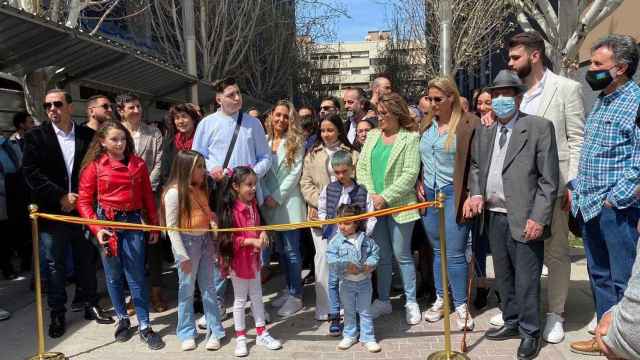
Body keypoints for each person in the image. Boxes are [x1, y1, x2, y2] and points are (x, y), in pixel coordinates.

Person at [487, 31, 585, 344]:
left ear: (534, 55)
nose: (510, 64)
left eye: (515, 57)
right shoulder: (513, 94)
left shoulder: (566, 89)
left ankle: (555, 313)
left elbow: (577, 138)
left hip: (551, 189)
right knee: (515, 257)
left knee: (555, 254)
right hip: (513, 192)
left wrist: (572, 181)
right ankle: (514, 311)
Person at [466, 70, 559, 360]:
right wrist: (476, 193)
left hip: (525, 216)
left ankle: (530, 332)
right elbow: (477, 167)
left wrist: (538, 218)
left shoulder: (539, 128)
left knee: (526, 279)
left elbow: (548, 180)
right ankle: (512, 320)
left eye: (507, 95)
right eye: (496, 95)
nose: (500, 100)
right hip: (494, 215)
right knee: (503, 276)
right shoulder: (485, 130)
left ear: (518, 98)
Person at [569, 34, 640, 356]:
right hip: (589, 204)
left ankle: (625, 344)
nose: (592, 70)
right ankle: (604, 336)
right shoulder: (602, 99)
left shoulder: (636, 102)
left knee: (623, 279)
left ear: (621, 68)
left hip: (617, 208)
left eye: (599, 64)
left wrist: (617, 198)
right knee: (598, 273)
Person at [23, 89, 112, 339]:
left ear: (70, 107)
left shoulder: (88, 136)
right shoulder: (35, 137)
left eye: (58, 104)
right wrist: (60, 195)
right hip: (53, 212)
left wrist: (82, 199)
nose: (53, 109)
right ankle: (57, 312)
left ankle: (91, 304)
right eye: (48, 105)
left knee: (87, 259)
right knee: (55, 265)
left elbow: (96, 169)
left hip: (83, 210)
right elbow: (31, 173)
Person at [192, 77, 272, 319]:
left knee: (253, 245)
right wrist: (212, 169)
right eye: (231, 94)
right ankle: (217, 306)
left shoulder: (253, 123)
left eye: (238, 93)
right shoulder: (207, 124)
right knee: (223, 247)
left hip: (248, 195)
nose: (237, 98)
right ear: (218, 98)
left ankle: (255, 304)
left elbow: (266, 158)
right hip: (221, 192)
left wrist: (249, 177)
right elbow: (197, 157)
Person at [418, 77, 479, 331]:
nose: (432, 104)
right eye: (429, 99)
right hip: (429, 196)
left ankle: (461, 305)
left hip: (453, 194)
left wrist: (471, 194)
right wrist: (418, 181)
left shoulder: (467, 124)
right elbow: (419, 157)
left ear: (451, 98)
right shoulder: (425, 125)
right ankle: (441, 300)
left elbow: (476, 164)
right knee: (437, 252)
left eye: (438, 99)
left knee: (454, 253)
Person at [355, 92, 422, 324]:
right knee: (381, 255)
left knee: (402, 254)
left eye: (383, 114)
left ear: (396, 114)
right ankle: (383, 300)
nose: (379, 118)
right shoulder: (372, 136)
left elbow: (410, 174)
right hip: (375, 207)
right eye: (379, 113)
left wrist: (385, 196)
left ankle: (411, 301)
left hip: (401, 207)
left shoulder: (410, 138)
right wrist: (373, 195)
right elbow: (362, 168)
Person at [161, 150, 225, 351]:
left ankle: (215, 330)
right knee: (186, 290)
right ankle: (187, 331)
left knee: (209, 289)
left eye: (203, 166)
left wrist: (213, 226)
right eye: (199, 167)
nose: (203, 171)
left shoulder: (201, 188)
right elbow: (171, 228)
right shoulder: (173, 193)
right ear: (186, 168)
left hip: (205, 242)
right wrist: (182, 255)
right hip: (187, 245)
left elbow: (208, 215)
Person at [218, 166, 282, 357]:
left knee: (256, 295)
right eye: (249, 185)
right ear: (236, 186)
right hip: (238, 262)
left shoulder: (253, 205)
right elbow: (227, 239)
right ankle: (241, 337)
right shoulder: (230, 210)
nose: (253, 189)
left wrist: (262, 233)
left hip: (254, 260)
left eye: (255, 184)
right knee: (239, 300)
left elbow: (259, 225)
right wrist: (250, 241)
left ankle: (262, 332)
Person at [300, 114, 358, 321]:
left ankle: (347, 306)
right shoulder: (312, 154)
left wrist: (344, 207)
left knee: (345, 257)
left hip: (346, 215)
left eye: (330, 130)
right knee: (323, 258)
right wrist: (318, 202)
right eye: (323, 130)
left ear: (339, 131)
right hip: (320, 215)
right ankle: (325, 307)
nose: (326, 134)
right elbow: (305, 183)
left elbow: (357, 181)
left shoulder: (351, 153)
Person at [117, 93, 167, 313]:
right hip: (123, 199)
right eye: (131, 107)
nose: (136, 110)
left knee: (153, 245)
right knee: (128, 248)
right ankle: (134, 295)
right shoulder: (115, 133)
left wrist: (147, 187)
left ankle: (156, 291)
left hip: (151, 196)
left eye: (138, 106)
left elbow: (158, 161)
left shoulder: (153, 132)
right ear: (121, 110)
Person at [318, 150, 376, 335]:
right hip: (336, 242)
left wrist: (363, 235)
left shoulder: (362, 191)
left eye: (344, 171)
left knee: (357, 279)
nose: (341, 175)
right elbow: (322, 209)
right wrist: (326, 226)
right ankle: (335, 316)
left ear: (352, 168)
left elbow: (371, 215)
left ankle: (358, 316)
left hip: (356, 243)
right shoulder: (329, 189)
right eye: (337, 172)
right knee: (334, 280)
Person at [261, 100, 307, 317]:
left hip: (288, 203)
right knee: (281, 252)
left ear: (291, 119)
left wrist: (276, 197)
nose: (281, 119)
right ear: (271, 116)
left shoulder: (296, 141)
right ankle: (289, 290)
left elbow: (295, 174)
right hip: (268, 204)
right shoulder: (265, 140)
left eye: (285, 116)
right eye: (277, 115)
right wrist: (264, 195)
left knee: (292, 252)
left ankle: (296, 295)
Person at [326, 204, 381, 353]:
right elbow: (331, 259)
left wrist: (371, 264)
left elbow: (375, 253)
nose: (342, 226)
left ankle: (368, 337)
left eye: (347, 223)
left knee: (365, 311)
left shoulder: (366, 240)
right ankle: (350, 335)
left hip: (364, 282)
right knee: (349, 310)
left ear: (356, 223)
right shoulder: (336, 241)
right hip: (346, 283)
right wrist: (344, 265)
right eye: (340, 222)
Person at [596, 229, 640, 360]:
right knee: (600, 276)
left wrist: (615, 336)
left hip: (618, 211)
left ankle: (610, 338)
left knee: (621, 279)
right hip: (590, 211)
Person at [160, 103, 202, 187]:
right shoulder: (170, 142)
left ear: (193, 119)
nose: (180, 121)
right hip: (176, 190)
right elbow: (165, 171)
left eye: (184, 116)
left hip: (199, 189)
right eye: (177, 118)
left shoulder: (202, 140)